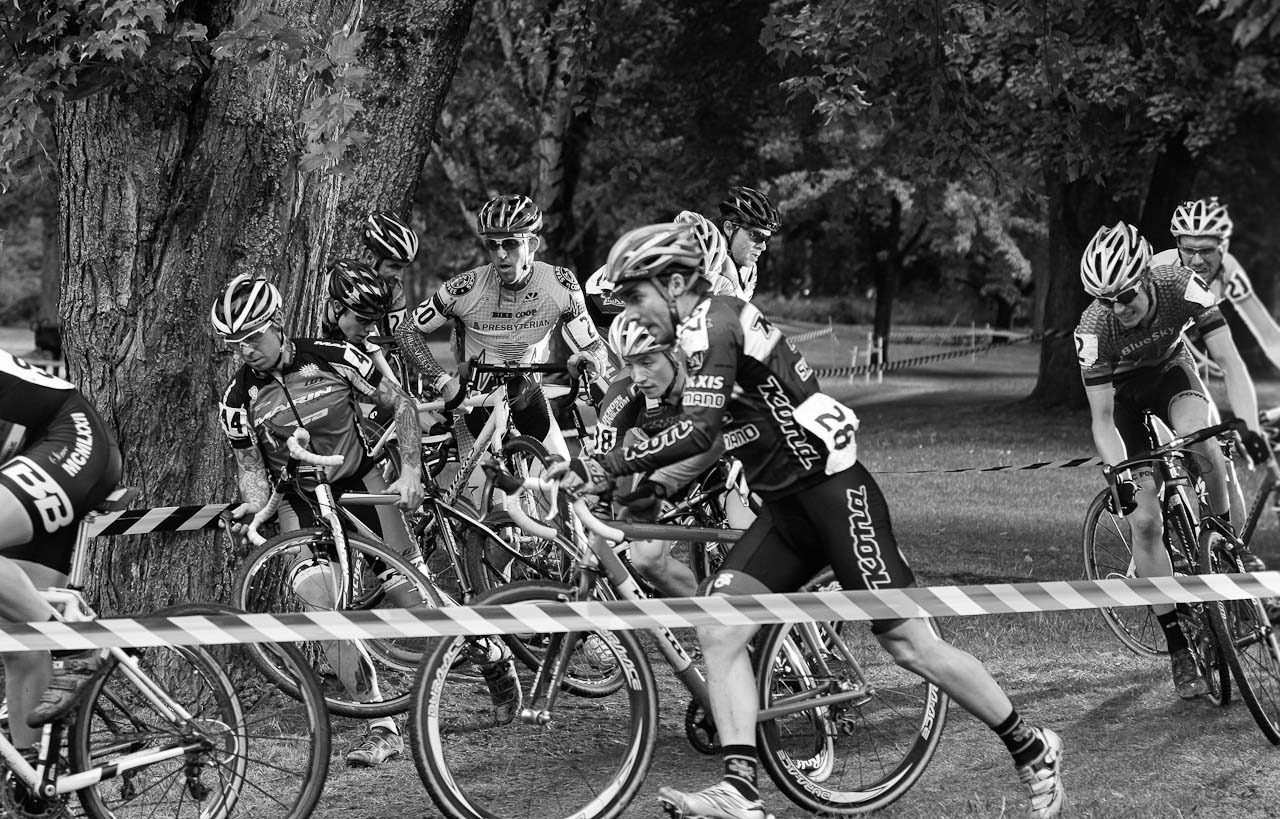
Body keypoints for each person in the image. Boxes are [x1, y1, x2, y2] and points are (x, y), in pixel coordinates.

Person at [553, 222, 1065, 819]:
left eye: (638, 296)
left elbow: (699, 430)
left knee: (909, 645)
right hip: (785, 510)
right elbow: (690, 430)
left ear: (673, 283)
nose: (636, 314)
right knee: (719, 628)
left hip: (836, 498)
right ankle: (740, 790)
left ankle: (1032, 746)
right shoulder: (694, 335)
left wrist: (603, 464)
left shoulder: (714, 322)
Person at [213, 273, 426, 767]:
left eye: (252, 338)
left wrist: (411, 469)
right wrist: (254, 502)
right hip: (301, 502)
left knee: (413, 600)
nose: (245, 351)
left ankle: (490, 654)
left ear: (277, 324)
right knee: (317, 599)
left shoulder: (335, 357)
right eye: (234, 343)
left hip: (360, 487)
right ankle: (380, 724)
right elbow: (252, 472)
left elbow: (402, 404)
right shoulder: (236, 402)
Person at [1074, 221, 1272, 699]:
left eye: (1125, 296)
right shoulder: (1093, 331)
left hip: (1170, 372)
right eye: (1107, 300)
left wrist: (1245, 421)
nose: (1118, 309)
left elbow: (1231, 362)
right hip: (1121, 397)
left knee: (1200, 440)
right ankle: (1179, 644)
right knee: (1144, 520)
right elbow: (1102, 420)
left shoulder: (1183, 286)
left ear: (1146, 277)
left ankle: (1226, 544)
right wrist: (1120, 473)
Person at [396, 193, 610, 463]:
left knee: (564, 491)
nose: (500, 254)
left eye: (510, 243)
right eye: (491, 245)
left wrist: (591, 359)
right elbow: (407, 331)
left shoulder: (559, 283)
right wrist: (443, 382)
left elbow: (593, 346)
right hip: (476, 406)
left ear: (532, 243)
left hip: (529, 399)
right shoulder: (466, 288)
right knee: (491, 505)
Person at [0, 351, 122, 773]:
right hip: (28, 458)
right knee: (24, 645)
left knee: (40, 635)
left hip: (70, 437)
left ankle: (77, 647)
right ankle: (33, 781)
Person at [596, 313, 750, 597]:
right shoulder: (623, 393)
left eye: (647, 361)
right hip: (666, 470)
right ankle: (714, 614)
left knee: (745, 531)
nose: (638, 375)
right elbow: (603, 460)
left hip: (721, 455)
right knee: (645, 557)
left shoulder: (709, 368)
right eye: (629, 363)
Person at [360, 211, 419, 337]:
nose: (400, 277)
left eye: (404, 268)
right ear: (369, 257)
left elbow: (398, 342)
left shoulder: (394, 293)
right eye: (394, 266)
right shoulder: (334, 285)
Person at [717, 186, 781, 301]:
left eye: (766, 239)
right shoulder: (702, 255)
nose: (763, 247)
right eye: (756, 235)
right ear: (729, 228)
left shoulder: (749, 271)